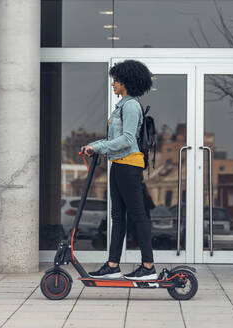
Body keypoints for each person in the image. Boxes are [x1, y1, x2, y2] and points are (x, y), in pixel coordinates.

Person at [81, 60, 156, 281]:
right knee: (117, 216)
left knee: (138, 215)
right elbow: (113, 138)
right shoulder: (121, 106)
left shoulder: (131, 105)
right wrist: (94, 146)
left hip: (129, 165)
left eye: (117, 80)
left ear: (127, 81)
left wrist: (99, 147)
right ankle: (113, 265)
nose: (113, 83)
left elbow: (127, 139)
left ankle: (148, 266)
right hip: (118, 165)